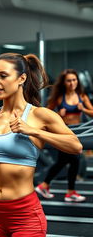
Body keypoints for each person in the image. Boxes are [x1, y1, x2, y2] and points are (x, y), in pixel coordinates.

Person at [0, 53, 82, 237]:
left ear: (21, 78)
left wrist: (34, 131)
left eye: (3, 76)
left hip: (24, 215)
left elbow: (76, 146)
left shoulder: (40, 115)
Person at [36, 69, 93, 202]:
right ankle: (69, 192)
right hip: (62, 134)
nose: (72, 83)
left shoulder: (81, 96)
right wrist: (58, 115)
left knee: (65, 161)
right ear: (64, 82)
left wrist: (83, 109)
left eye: (74, 80)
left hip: (76, 134)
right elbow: (45, 114)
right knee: (73, 161)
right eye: (69, 80)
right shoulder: (59, 97)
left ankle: (45, 186)